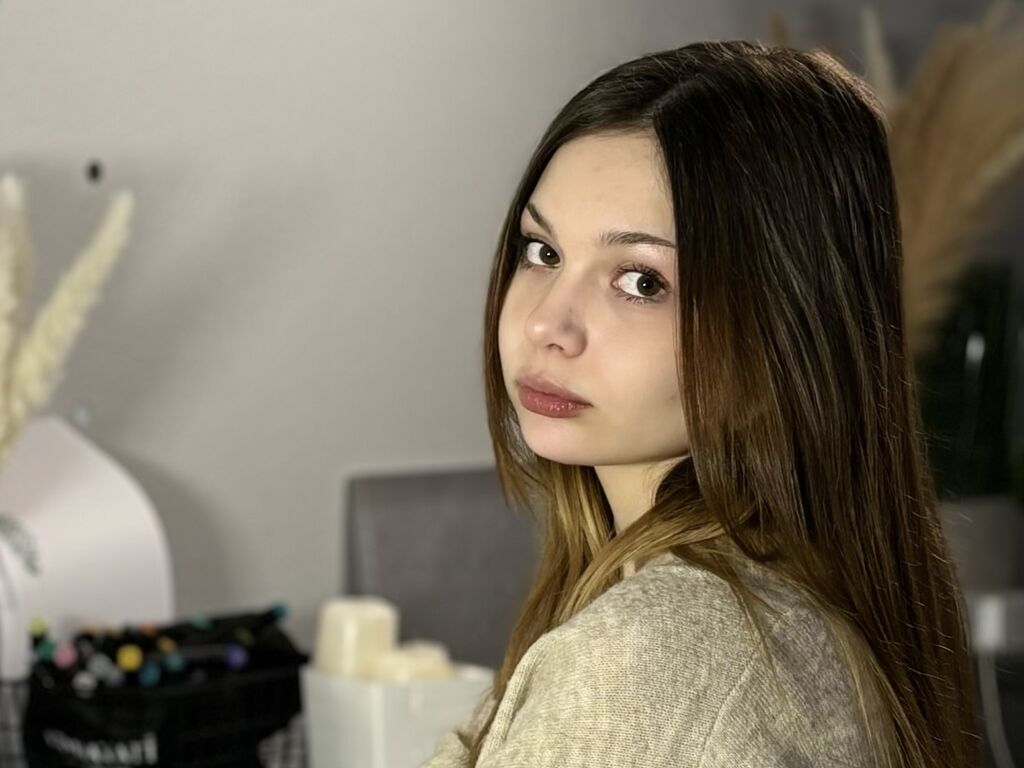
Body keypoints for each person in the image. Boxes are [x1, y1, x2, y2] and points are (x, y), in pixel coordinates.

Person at [420, 39, 980, 768]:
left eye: (641, 282)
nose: (545, 325)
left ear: (779, 332)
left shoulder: (644, 659)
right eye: (542, 252)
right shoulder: (789, 607)